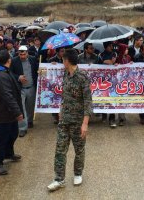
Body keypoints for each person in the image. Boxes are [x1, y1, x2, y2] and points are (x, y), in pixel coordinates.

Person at [47, 49, 92, 192]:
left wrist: (85, 124)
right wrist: (61, 111)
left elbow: (88, 102)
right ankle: (59, 179)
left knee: (79, 149)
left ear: (67, 61)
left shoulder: (83, 77)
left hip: (78, 121)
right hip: (64, 121)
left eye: (62, 60)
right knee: (60, 149)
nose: (62, 62)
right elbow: (64, 96)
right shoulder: (66, 74)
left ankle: (78, 173)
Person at [0, 50, 24, 175]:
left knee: (13, 133)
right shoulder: (1, 76)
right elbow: (7, 96)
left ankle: (9, 153)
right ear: (8, 60)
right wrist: (17, 112)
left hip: (8, 113)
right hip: (1, 113)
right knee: (1, 139)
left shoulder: (3, 72)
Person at [10, 45, 39, 137]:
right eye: (20, 54)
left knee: (30, 106)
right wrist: (18, 77)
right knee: (21, 108)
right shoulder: (14, 61)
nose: (22, 56)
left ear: (27, 53)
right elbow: (10, 73)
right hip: (20, 88)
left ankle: (29, 121)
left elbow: (39, 69)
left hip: (31, 87)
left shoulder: (33, 59)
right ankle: (22, 128)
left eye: (24, 54)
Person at [97, 42, 120, 127]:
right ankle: (103, 114)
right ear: (106, 47)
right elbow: (98, 65)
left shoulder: (115, 53)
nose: (112, 47)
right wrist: (106, 62)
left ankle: (112, 119)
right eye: (110, 46)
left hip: (112, 80)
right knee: (103, 97)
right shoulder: (100, 55)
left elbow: (117, 63)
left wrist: (115, 63)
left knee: (112, 98)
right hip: (103, 80)